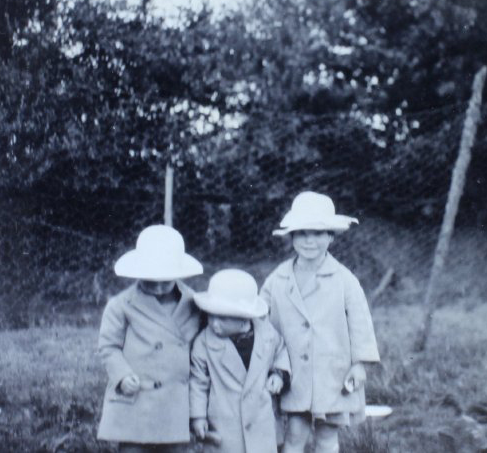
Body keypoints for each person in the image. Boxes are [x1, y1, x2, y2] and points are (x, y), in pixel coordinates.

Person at [260, 191, 381, 453]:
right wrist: (270, 366)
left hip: (332, 374)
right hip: (293, 373)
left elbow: (360, 323)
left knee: (327, 437)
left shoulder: (344, 280)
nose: (309, 241)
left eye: (317, 233)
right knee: (294, 435)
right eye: (302, 233)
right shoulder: (278, 280)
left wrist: (360, 365)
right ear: (291, 237)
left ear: (331, 236)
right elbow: (262, 322)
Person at [96, 224, 204, 452]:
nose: (158, 285)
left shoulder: (195, 304)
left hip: (175, 404)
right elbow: (108, 347)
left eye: (165, 279)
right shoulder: (121, 305)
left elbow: (203, 346)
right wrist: (122, 375)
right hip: (138, 400)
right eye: (151, 278)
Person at [189, 268, 290, 453]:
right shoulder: (204, 343)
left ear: (244, 319)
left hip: (260, 419)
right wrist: (198, 416)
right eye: (211, 315)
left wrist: (279, 373)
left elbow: (281, 350)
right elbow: (198, 382)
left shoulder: (267, 334)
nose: (214, 323)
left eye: (223, 318)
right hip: (225, 422)